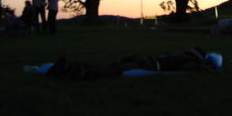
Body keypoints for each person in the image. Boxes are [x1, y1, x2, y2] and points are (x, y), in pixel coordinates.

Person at [45, 47, 220, 80]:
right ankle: (73, 70)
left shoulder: (181, 57)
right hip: (148, 64)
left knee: (111, 67)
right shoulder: (189, 62)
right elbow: (191, 69)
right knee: (113, 70)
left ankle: (71, 67)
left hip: (145, 60)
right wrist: (206, 70)